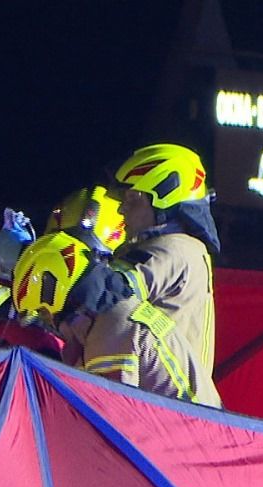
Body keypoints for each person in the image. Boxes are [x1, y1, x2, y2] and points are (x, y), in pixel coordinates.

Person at [9, 229, 219, 406]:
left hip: (190, 446)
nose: (49, 323)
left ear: (54, 293)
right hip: (196, 437)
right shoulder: (115, 313)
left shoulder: (111, 331)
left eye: (43, 313)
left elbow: (110, 418)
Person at [102, 142, 222, 406]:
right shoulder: (169, 248)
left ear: (165, 199)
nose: (122, 210)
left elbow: (110, 293)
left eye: (132, 200)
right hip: (166, 406)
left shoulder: (176, 247)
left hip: (172, 412)